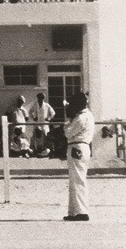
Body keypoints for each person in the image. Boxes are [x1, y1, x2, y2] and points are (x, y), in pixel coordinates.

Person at [63, 91, 94, 221]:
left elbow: (68, 133)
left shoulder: (81, 117)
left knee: (78, 180)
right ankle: (74, 212)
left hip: (77, 147)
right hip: (82, 147)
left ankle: (81, 211)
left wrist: (68, 120)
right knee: (75, 180)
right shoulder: (87, 115)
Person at [28, 92, 56, 157]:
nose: (40, 99)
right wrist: (33, 117)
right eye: (39, 97)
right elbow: (30, 111)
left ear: (43, 98)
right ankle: (35, 149)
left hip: (44, 124)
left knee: (45, 137)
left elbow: (53, 113)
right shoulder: (35, 105)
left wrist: (49, 118)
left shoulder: (46, 105)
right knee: (35, 137)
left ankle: (46, 151)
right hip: (37, 124)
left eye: (41, 97)